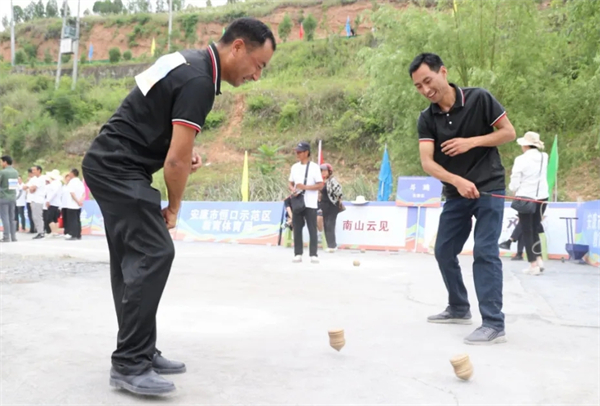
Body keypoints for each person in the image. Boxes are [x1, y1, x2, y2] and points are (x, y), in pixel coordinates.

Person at [81, 18, 276, 396]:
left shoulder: (188, 62)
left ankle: (141, 350)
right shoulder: (199, 80)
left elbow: (152, 121)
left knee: (133, 260)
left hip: (113, 163)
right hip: (118, 169)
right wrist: (174, 206)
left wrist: (184, 154)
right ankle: (129, 363)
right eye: (258, 65)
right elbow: (174, 162)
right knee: (154, 252)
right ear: (238, 47)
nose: (257, 75)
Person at [410, 53, 516, 345]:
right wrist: (456, 181)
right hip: (456, 192)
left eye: (428, 81)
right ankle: (458, 307)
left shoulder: (479, 98)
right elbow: (428, 163)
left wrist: (471, 142)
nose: (425, 90)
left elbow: (508, 132)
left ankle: (494, 323)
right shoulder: (426, 118)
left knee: (484, 251)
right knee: (444, 250)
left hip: (489, 187)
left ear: (443, 72)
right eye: (418, 86)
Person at [508, 131, 549, 275]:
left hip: (525, 198)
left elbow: (515, 179)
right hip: (542, 198)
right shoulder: (544, 156)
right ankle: (539, 260)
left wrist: (513, 188)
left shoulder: (521, 159)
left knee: (527, 230)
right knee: (535, 228)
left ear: (525, 145)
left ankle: (533, 265)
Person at [288, 142, 324, 264]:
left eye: (300, 152)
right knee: (297, 228)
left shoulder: (314, 167)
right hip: (298, 201)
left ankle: (313, 254)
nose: (297, 154)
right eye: (296, 152)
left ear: (306, 152)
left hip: (310, 203)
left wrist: (305, 188)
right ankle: (298, 253)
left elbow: (320, 185)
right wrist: (293, 190)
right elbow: (290, 183)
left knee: (312, 228)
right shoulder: (294, 167)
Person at [318, 163, 343, 253]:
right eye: (322, 171)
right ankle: (330, 245)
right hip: (324, 206)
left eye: (325, 171)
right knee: (326, 225)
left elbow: (339, 191)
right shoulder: (324, 181)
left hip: (332, 205)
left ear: (329, 171)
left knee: (330, 224)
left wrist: (337, 200)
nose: (323, 172)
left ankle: (333, 246)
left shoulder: (332, 180)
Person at [0, 155, 19, 243]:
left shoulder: (3, 172)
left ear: (5, 162)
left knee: (5, 217)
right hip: (12, 196)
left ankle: (6, 236)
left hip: (3, 197)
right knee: (12, 217)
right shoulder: (15, 172)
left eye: (1, 162)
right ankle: (13, 236)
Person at [23, 165, 45, 240]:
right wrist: (30, 187)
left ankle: (41, 232)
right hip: (32, 200)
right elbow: (25, 187)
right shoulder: (33, 179)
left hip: (38, 200)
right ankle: (39, 231)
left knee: (38, 216)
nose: (33, 171)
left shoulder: (41, 179)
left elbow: (33, 189)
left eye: (34, 170)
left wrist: (30, 188)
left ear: (39, 170)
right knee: (34, 217)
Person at [64, 168, 85, 241]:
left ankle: (73, 234)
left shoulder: (72, 182)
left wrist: (77, 201)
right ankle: (78, 234)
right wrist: (80, 201)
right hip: (78, 205)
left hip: (72, 204)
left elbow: (72, 193)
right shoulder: (80, 182)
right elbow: (84, 193)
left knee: (72, 220)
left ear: (72, 173)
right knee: (77, 219)